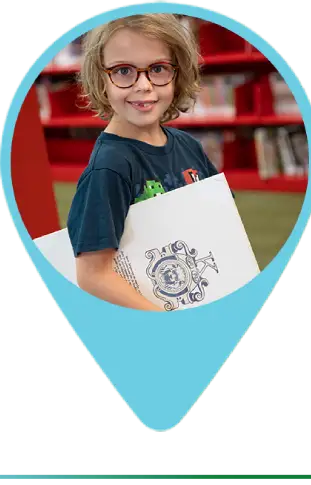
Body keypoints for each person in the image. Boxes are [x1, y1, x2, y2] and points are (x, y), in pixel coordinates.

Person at [67, 14, 227, 312]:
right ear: (100, 79)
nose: (144, 85)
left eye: (158, 69)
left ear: (178, 74)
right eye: (123, 70)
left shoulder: (188, 145)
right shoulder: (109, 167)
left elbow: (221, 224)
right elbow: (92, 275)